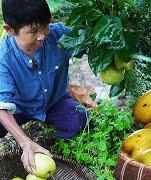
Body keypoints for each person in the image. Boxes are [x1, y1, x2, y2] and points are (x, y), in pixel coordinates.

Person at [0, 0, 92, 173]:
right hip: (18, 108)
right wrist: (24, 142)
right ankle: (28, 140)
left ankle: (54, 141)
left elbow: (92, 41)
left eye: (45, 26)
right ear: (10, 30)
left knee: (80, 121)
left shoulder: (59, 36)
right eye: (33, 31)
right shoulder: (4, 58)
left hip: (53, 102)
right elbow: (2, 107)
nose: (42, 35)